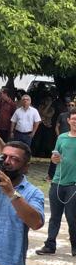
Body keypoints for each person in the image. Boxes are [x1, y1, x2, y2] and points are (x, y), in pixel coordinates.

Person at [36, 108, 76, 256]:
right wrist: (55, 159)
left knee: (72, 217)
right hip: (58, 182)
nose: (75, 122)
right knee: (54, 217)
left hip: (74, 184)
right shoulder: (62, 138)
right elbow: (54, 157)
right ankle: (50, 245)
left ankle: (75, 246)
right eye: (73, 119)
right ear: (68, 120)